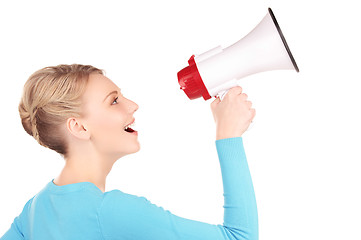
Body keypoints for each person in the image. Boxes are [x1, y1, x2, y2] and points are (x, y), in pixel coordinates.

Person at [0, 64, 258, 240]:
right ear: (78, 127)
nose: (133, 105)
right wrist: (229, 134)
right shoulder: (110, 210)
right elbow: (240, 237)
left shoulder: (34, 210)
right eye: (113, 101)